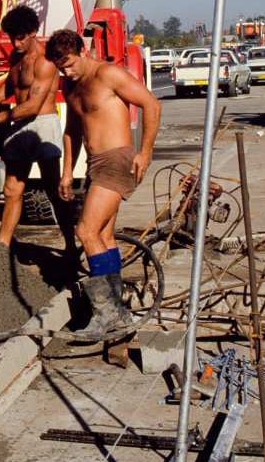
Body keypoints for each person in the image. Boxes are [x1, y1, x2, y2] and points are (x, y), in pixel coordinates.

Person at [46, 29, 161, 340]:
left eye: (69, 63)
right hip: (96, 164)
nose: (65, 71)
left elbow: (151, 104)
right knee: (104, 235)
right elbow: (72, 129)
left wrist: (145, 152)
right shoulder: (69, 85)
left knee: (85, 230)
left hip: (118, 159)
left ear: (83, 52)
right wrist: (68, 170)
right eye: (60, 67)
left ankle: (105, 314)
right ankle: (118, 309)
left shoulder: (108, 74)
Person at [0, 5, 70, 253]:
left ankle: (71, 245)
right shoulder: (16, 58)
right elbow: (11, 90)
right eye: (12, 37)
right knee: (12, 189)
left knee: (53, 189)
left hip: (42, 126)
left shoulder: (45, 62)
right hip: (20, 124)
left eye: (20, 37)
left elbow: (33, 106)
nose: (15, 42)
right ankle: (2, 248)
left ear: (33, 32)